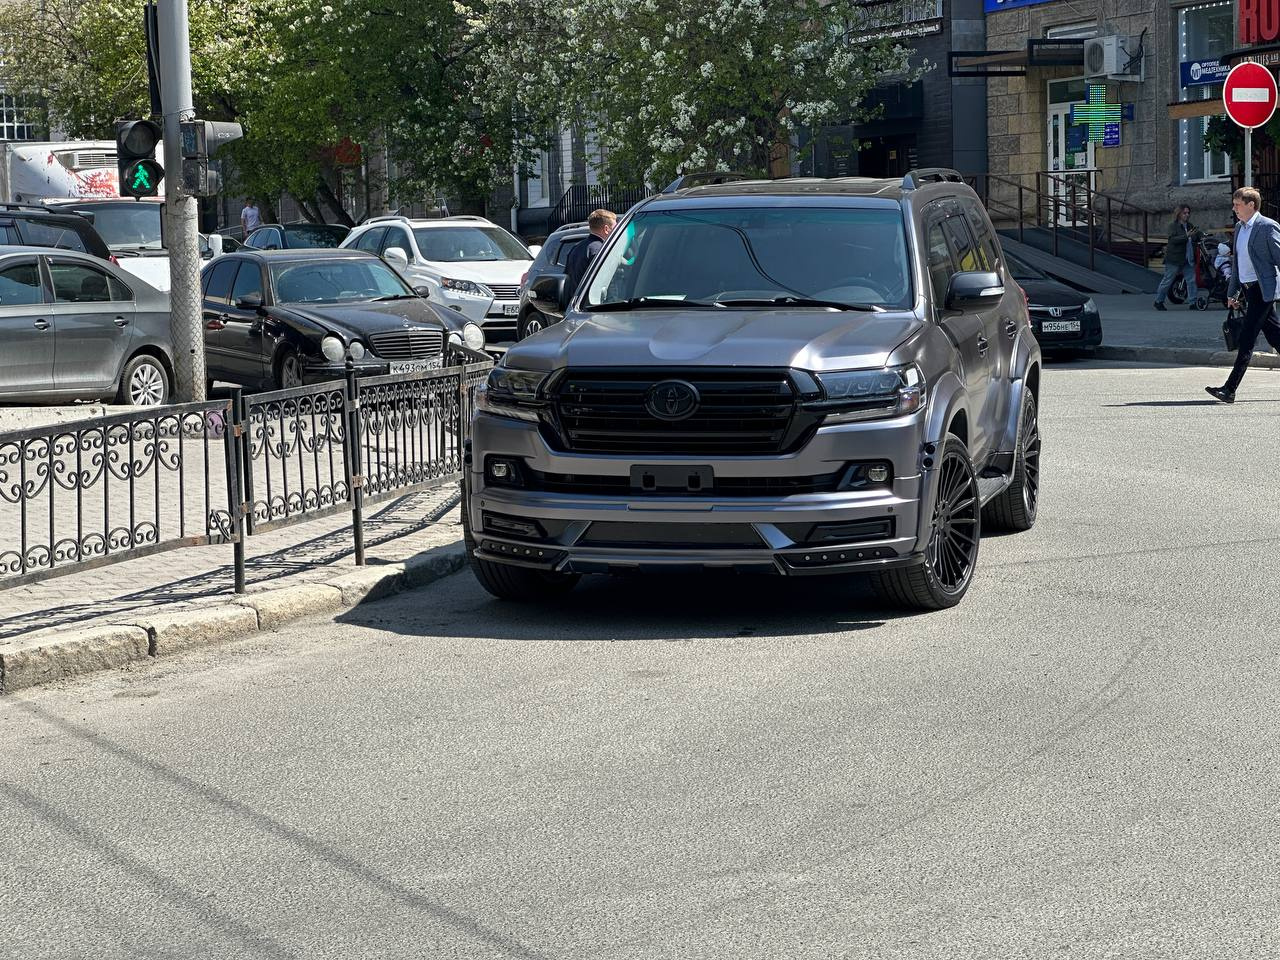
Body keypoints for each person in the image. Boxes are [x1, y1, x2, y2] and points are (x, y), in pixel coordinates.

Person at [1206, 187, 1280, 403]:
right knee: (1275, 336)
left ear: (1251, 205)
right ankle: (1229, 390)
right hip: (1248, 290)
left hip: (1263, 290)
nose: (1234, 208)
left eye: (1237, 204)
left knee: (1247, 338)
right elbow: (1238, 265)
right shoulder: (1239, 228)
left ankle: (1229, 389)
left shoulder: (1267, 227)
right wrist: (1233, 293)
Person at [1153, 204, 1202, 311]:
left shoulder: (1189, 225)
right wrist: (1186, 236)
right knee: (1168, 280)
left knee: (1191, 280)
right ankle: (1158, 301)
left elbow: (1196, 234)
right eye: (1184, 213)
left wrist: (1202, 235)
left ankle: (1193, 302)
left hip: (1188, 258)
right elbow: (1172, 240)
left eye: (1188, 213)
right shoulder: (1173, 226)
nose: (1187, 215)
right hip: (1174, 259)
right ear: (1179, 214)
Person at [563, 208, 617, 299]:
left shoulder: (576, 248)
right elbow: (607, 284)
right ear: (606, 229)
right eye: (615, 228)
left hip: (576, 303)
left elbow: (568, 279)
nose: (617, 231)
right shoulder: (601, 250)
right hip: (595, 303)